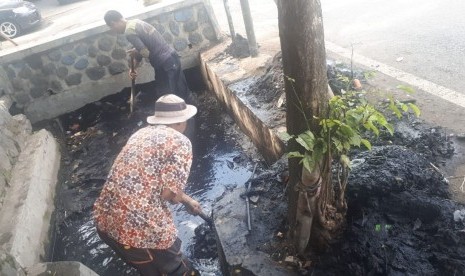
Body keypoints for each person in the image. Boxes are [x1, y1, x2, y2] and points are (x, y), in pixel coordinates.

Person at [94, 94, 201, 275]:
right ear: (181, 121)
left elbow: (150, 181)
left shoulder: (141, 133)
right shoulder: (181, 142)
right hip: (139, 230)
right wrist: (179, 198)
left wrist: (187, 200)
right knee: (178, 269)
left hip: (106, 223)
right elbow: (169, 194)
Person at [103, 10, 194, 104]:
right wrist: (134, 67)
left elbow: (145, 52)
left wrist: (136, 52)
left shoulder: (129, 32)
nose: (114, 31)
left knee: (168, 96)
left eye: (112, 28)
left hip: (164, 64)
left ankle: (179, 115)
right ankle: (192, 111)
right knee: (182, 90)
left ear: (113, 23)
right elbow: (146, 45)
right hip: (172, 57)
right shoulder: (135, 22)